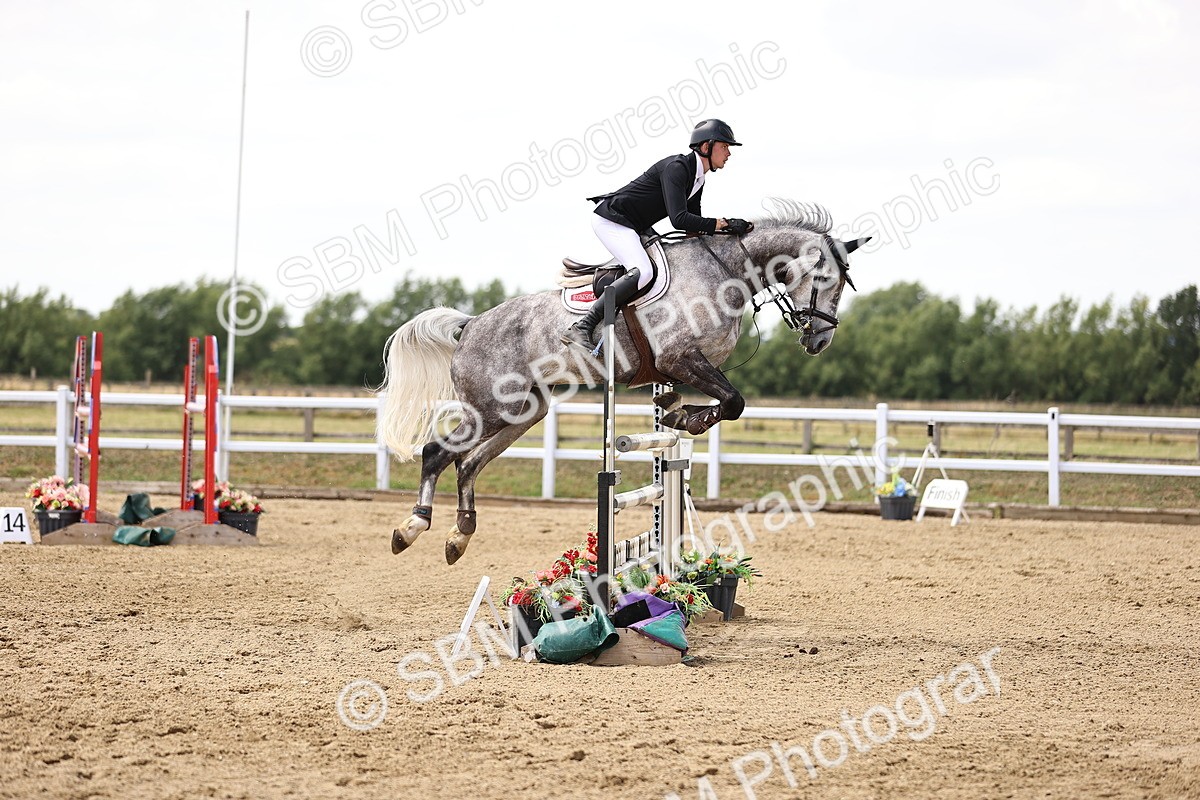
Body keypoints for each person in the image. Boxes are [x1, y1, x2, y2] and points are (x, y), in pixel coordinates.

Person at [560, 118, 752, 351]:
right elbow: (678, 219)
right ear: (706, 147)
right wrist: (723, 223)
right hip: (612, 220)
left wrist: (728, 231)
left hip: (634, 225)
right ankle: (582, 326)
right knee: (643, 271)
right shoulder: (677, 169)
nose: (729, 153)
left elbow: (693, 227)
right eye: (725, 146)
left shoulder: (698, 178)